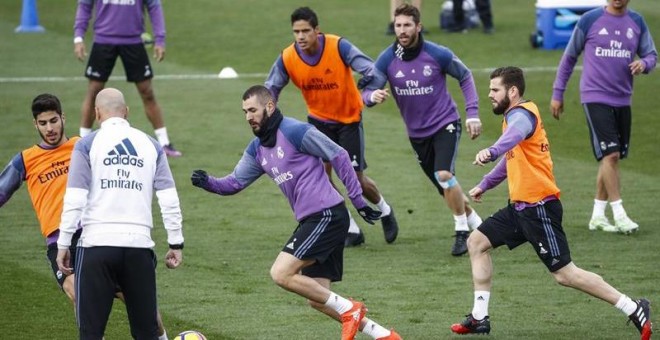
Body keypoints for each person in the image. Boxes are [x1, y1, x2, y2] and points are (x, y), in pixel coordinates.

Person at [450, 66, 652, 339]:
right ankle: (479, 317)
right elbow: (511, 158)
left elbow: (514, 137)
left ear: (513, 91)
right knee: (477, 242)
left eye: (494, 89)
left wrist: (492, 148)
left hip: (539, 208)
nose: (490, 95)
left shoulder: (521, 115)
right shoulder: (513, 117)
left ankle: (633, 306)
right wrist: (485, 183)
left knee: (565, 274)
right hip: (519, 207)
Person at [190, 85, 400, 340]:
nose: (248, 117)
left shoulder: (295, 131)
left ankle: (352, 310)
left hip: (327, 215)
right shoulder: (257, 148)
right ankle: (383, 335)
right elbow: (234, 183)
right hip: (313, 220)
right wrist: (208, 182)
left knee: (281, 273)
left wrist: (357, 199)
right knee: (318, 297)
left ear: (269, 106)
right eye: (245, 112)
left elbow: (339, 154)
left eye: (253, 110)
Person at [0, 93, 170, 340]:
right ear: (35, 125)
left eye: (54, 121)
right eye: (43, 123)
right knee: (78, 295)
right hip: (61, 243)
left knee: (147, 312)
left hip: (95, 236)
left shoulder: (86, 145)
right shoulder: (26, 160)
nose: (50, 128)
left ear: (63, 118)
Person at [265, 7, 399, 247]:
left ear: (317, 31)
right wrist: (267, 113)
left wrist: (370, 92)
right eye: (296, 32)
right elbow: (271, 88)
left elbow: (371, 68)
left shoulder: (339, 47)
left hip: (348, 120)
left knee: (355, 179)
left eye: (306, 31)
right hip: (317, 122)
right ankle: (352, 229)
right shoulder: (288, 58)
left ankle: (385, 210)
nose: (301, 36)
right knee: (323, 178)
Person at [56, 88, 184, 340]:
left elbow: (75, 198)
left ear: (96, 114)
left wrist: (63, 242)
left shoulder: (86, 144)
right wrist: (175, 242)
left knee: (91, 334)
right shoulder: (151, 144)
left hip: (96, 247)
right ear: (126, 112)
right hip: (138, 247)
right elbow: (168, 197)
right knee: (147, 333)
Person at [363, 3, 483, 256]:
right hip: (417, 135)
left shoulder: (437, 54)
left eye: (407, 25)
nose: (403, 30)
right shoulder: (387, 59)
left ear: (419, 26)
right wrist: (371, 96)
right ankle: (478, 224)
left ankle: (462, 231)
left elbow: (465, 76)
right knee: (446, 188)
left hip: (445, 123)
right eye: (398, 25)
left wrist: (472, 114)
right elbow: (367, 89)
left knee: (444, 175)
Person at [551, 0, 656, 234]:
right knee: (612, 154)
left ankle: (597, 216)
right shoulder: (589, 20)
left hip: (623, 99)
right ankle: (619, 214)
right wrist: (558, 93)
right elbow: (569, 57)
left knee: (611, 158)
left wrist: (644, 64)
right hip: (594, 96)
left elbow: (651, 55)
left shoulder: (637, 22)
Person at [73, 0, 182, 157]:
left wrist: (160, 39)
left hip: (134, 41)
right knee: (94, 91)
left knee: (147, 92)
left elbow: (154, 6)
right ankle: (82, 144)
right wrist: (78, 37)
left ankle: (164, 143)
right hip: (103, 40)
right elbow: (85, 5)